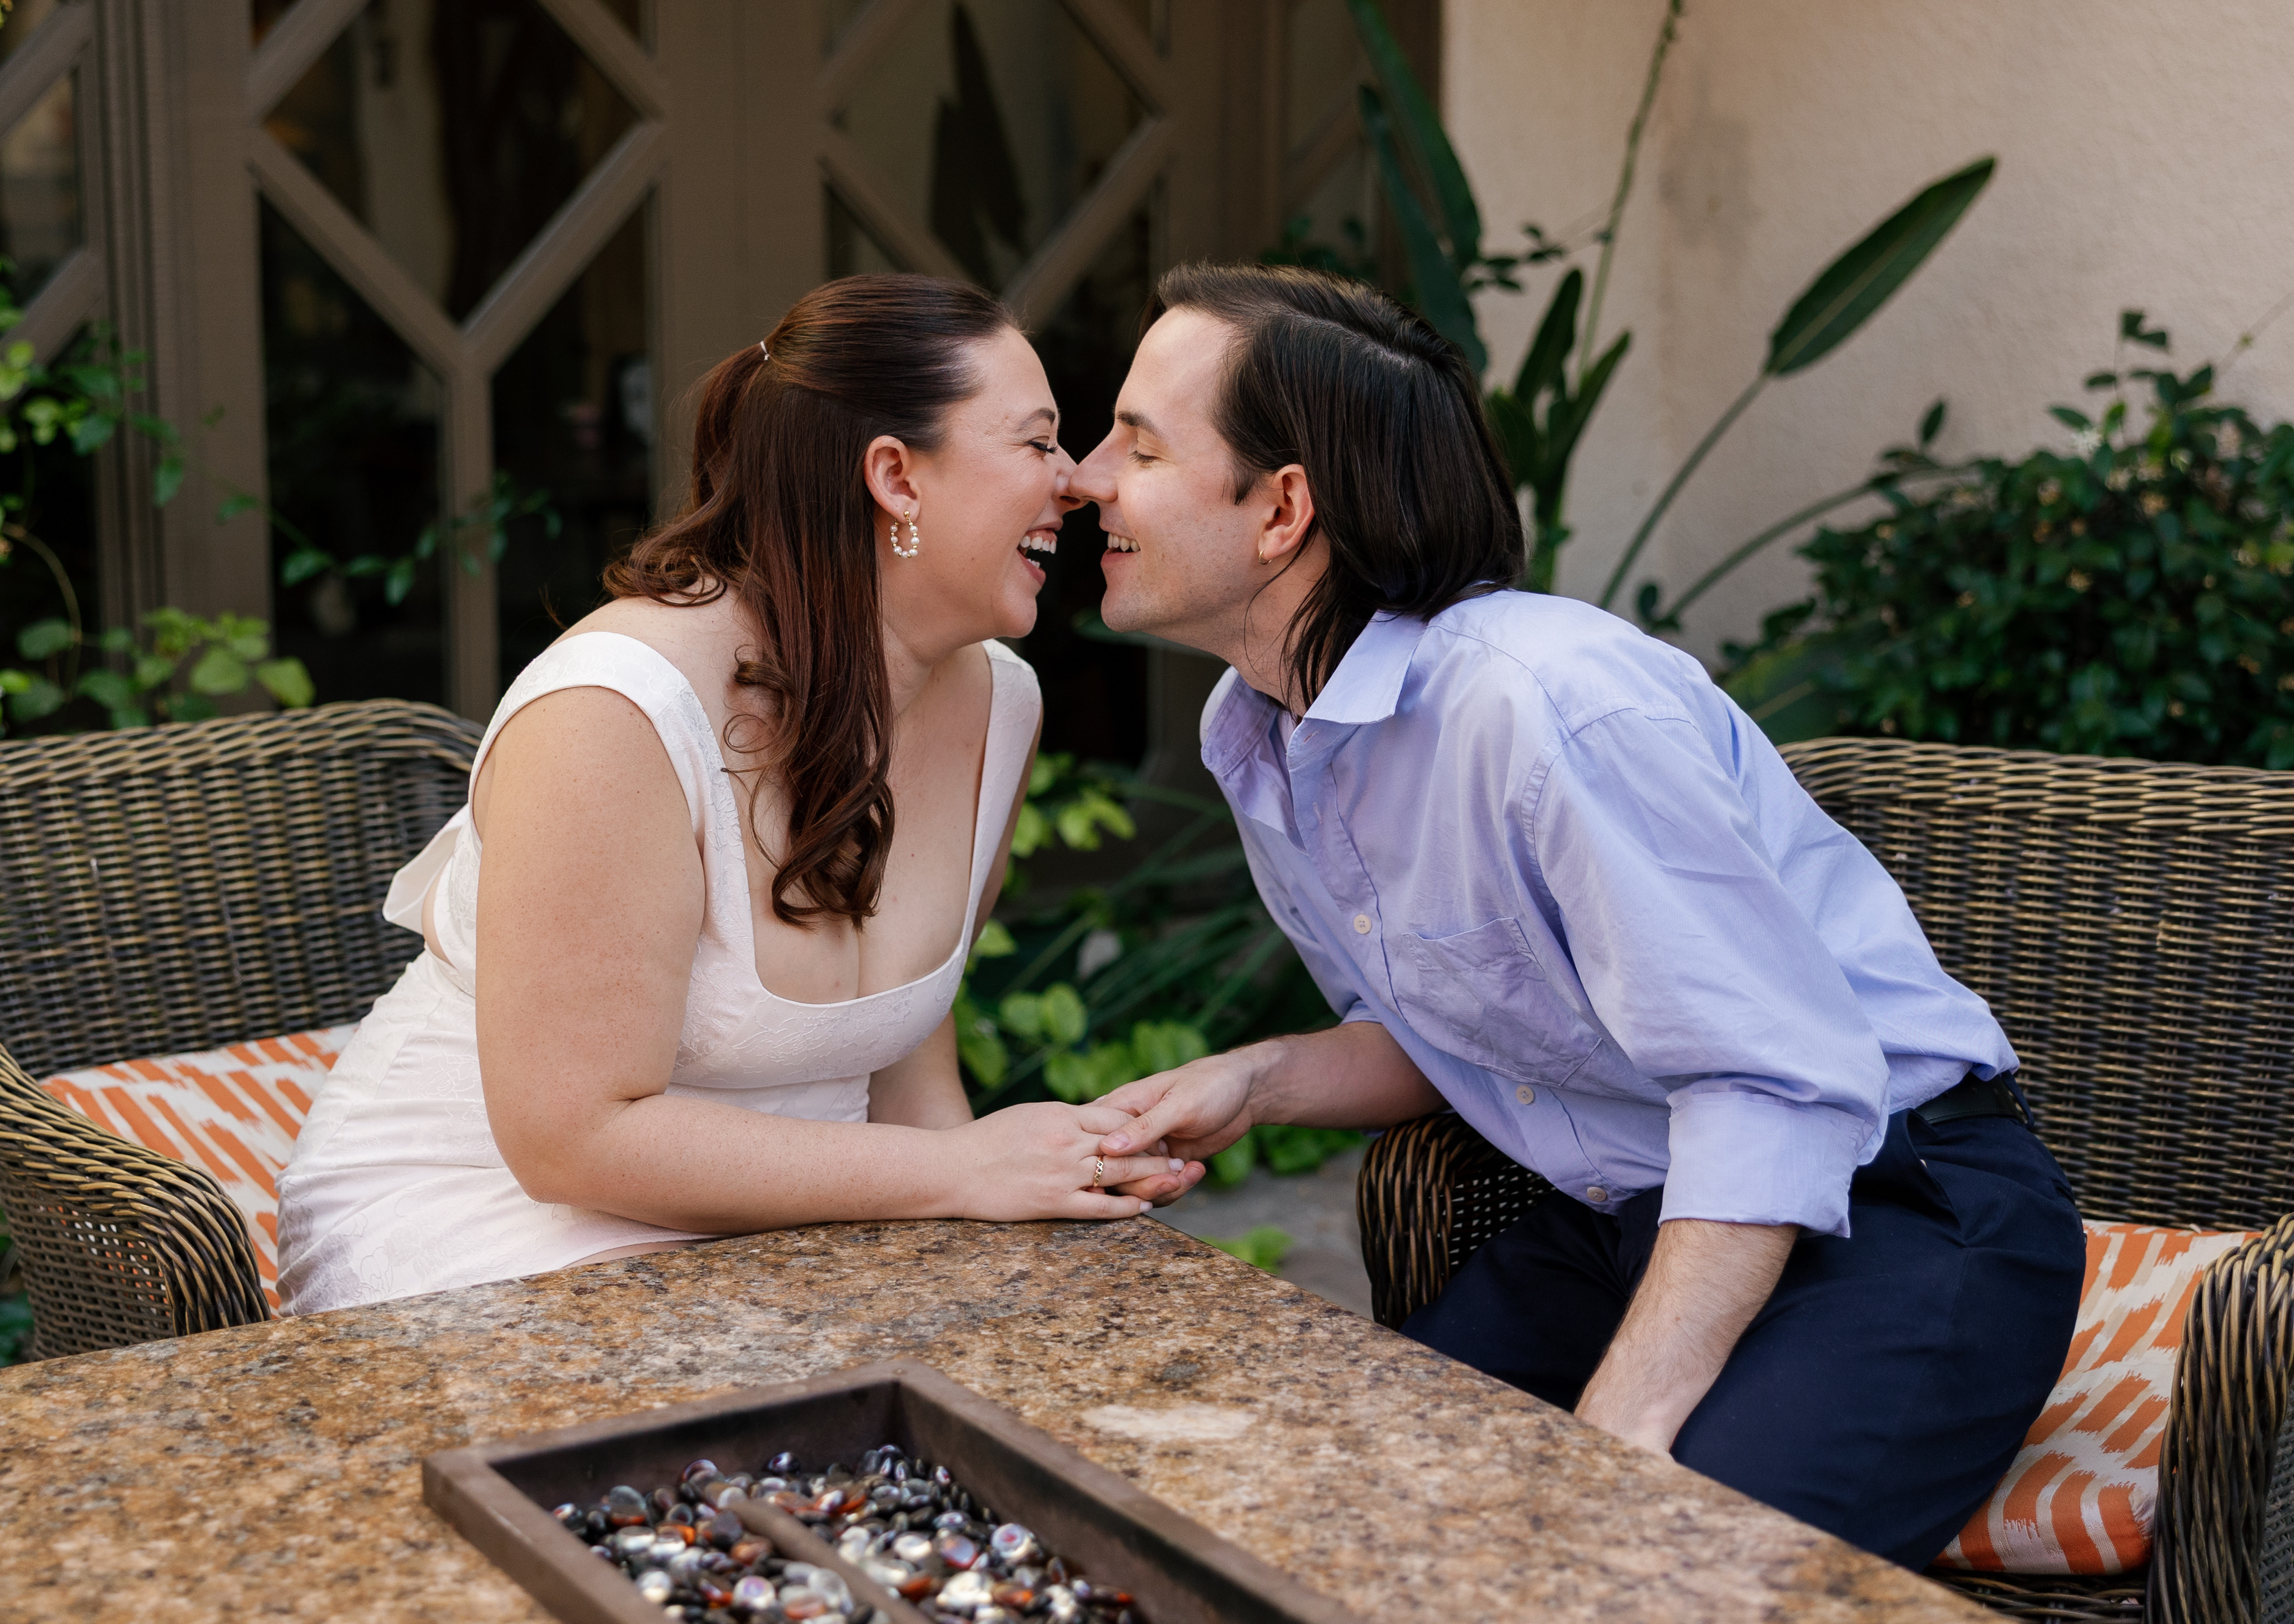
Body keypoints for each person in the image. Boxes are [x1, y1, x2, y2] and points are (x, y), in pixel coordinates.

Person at [1066, 262, 2083, 1568]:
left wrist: (1623, 1422)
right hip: (1634, 1220)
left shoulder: (1544, 708)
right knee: (1323, 1533)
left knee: (1630, 1574)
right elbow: (1451, 1030)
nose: (1086, 478)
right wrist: (1255, 1083)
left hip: (1902, 1214)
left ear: (1280, 510)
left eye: (1136, 446)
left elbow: (1771, 1085)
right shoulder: (1258, 733)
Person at [278, 275, 1200, 1315]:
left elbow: (908, 1080)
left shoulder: (1002, 705)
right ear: (896, 476)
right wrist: (963, 1174)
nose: (1074, 482)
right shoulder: (617, 710)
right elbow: (569, 1140)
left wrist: (1021, 1200)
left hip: (802, 1232)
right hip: (493, 1217)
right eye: (1037, 443)